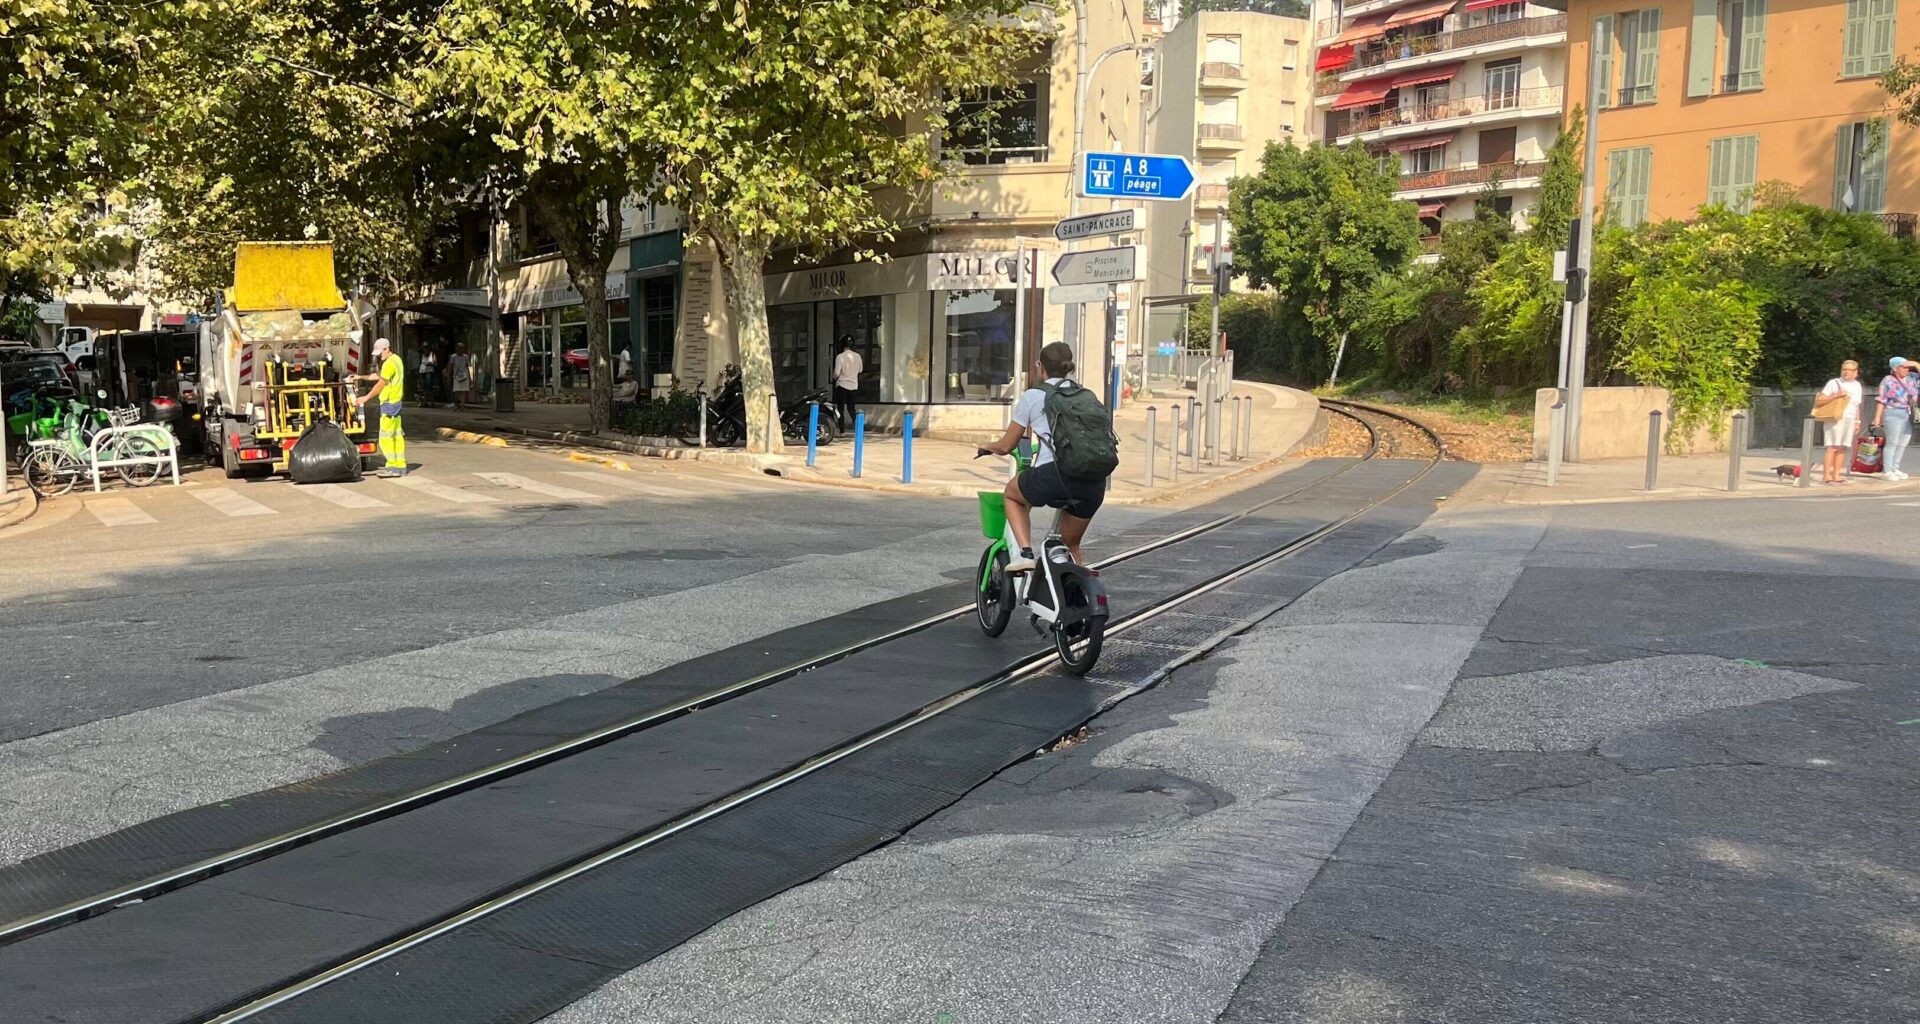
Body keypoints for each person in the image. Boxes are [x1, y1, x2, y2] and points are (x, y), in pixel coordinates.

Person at [976, 341, 1105, 572]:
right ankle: (1079, 587)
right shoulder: (1087, 396)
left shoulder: (1033, 396)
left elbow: (1007, 446)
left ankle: (1025, 554)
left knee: (1013, 495)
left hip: (1054, 475)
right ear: (1068, 368)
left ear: (1041, 367)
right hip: (1094, 481)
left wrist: (988, 446)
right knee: (1070, 543)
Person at [353, 337, 408, 478]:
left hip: (389, 403)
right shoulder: (397, 360)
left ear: (387, 348)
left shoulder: (389, 363)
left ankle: (392, 467)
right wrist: (360, 377)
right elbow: (377, 376)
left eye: (380, 352)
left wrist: (365, 397)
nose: (379, 355)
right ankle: (400, 465)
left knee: (385, 437)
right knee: (397, 435)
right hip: (396, 403)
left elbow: (380, 383)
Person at [1817, 359, 1863, 485]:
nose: (1846, 372)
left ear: (1856, 372)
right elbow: (1820, 400)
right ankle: (1826, 476)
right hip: (1835, 418)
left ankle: (1836, 475)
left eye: (1849, 370)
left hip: (1850, 418)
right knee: (1832, 446)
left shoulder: (1857, 385)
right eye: (1844, 369)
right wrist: (1836, 395)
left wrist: (1858, 421)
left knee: (1843, 447)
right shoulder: (1834, 383)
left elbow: (1857, 405)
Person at [1874, 356, 1917, 481]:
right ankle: (1887, 470)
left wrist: (1915, 364)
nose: (1906, 369)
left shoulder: (1912, 378)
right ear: (1895, 368)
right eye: (1903, 367)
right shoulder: (1888, 380)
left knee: (1903, 442)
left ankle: (1895, 467)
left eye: (1908, 367)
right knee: (1892, 442)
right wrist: (1877, 416)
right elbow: (1882, 399)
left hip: (1908, 413)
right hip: (1893, 412)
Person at [831, 334, 862, 427]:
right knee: (851, 408)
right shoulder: (858, 356)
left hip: (842, 384)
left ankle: (842, 431)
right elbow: (860, 370)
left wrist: (834, 377)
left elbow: (837, 373)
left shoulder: (840, 357)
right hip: (853, 385)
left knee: (840, 409)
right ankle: (857, 426)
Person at [448, 342, 473, 411]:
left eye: (462, 348)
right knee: (457, 391)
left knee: (463, 391)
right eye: (459, 348)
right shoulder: (453, 357)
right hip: (456, 376)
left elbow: (467, 367)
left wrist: (470, 378)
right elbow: (450, 366)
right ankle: (457, 404)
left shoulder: (465, 357)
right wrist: (449, 375)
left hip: (464, 375)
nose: (461, 350)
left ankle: (462, 406)